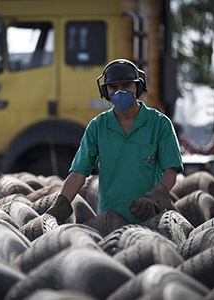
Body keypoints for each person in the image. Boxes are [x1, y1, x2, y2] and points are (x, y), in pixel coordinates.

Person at [46, 59, 184, 224]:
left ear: (138, 87)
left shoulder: (160, 124)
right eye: (114, 87)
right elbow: (78, 174)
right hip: (110, 221)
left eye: (126, 86)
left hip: (151, 219)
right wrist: (60, 205)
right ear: (105, 92)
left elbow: (170, 173)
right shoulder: (98, 126)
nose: (120, 92)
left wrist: (153, 199)